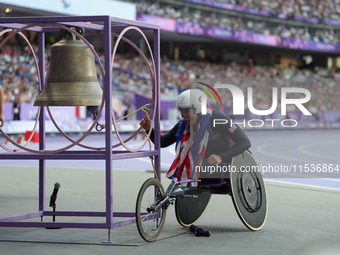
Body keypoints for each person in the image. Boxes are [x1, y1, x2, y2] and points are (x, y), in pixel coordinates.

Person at [140, 88, 251, 183]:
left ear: (198, 109)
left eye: (187, 111)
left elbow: (245, 142)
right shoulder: (184, 124)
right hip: (204, 165)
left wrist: (221, 157)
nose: (183, 115)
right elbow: (163, 142)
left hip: (227, 163)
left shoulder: (217, 118)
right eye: (181, 111)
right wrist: (149, 129)